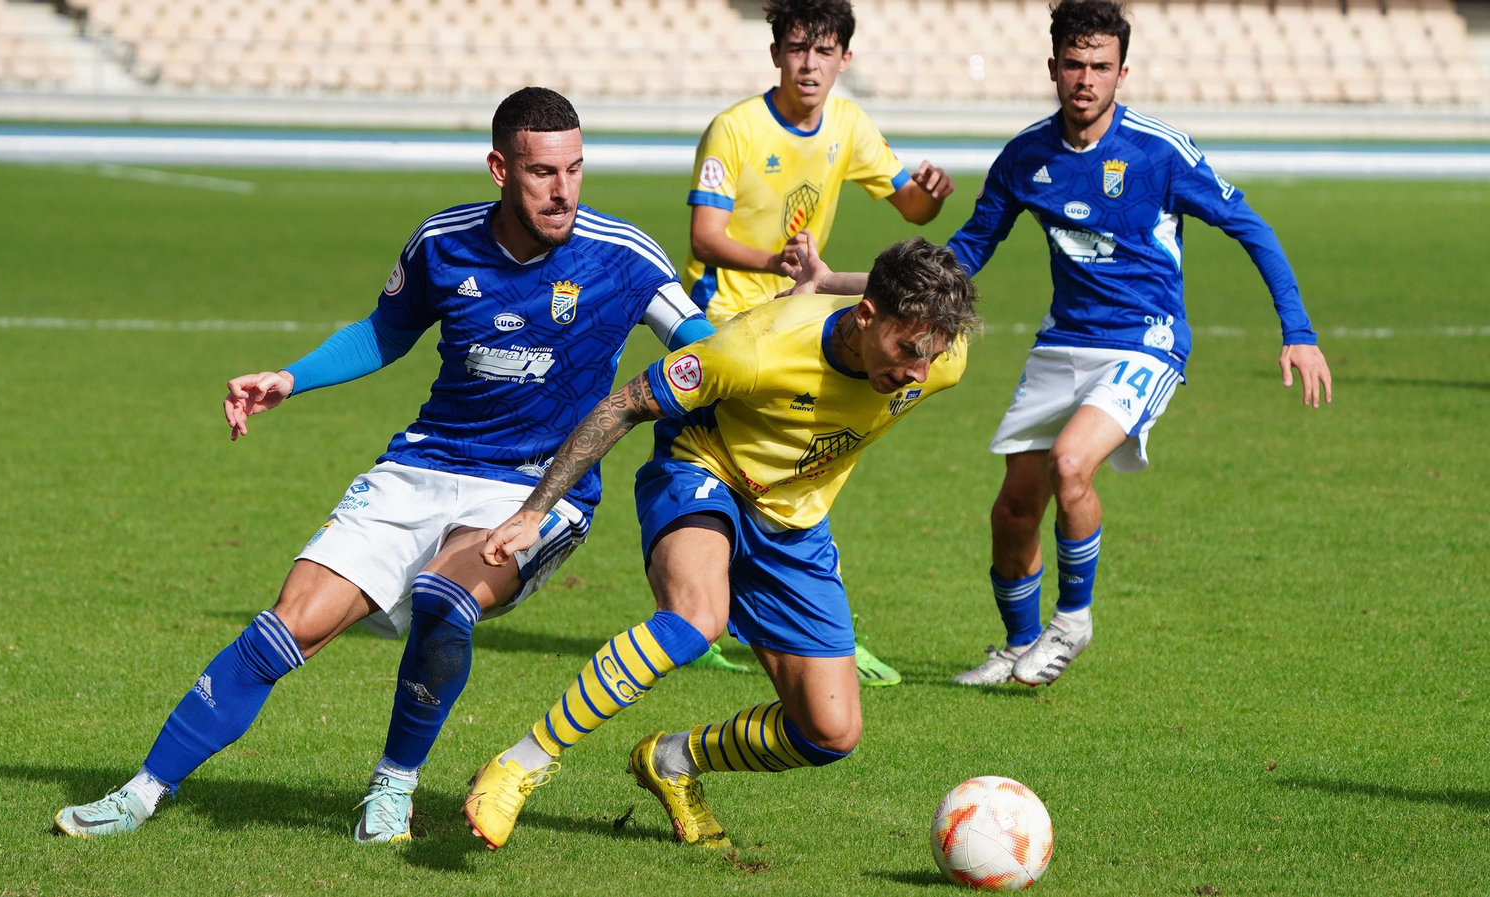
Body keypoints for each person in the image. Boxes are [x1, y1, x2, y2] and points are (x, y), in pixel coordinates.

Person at [52, 87, 715, 843]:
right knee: (287, 625)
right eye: (541, 172)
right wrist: (292, 378)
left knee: (442, 598)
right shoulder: (442, 243)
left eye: (574, 169)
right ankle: (139, 794)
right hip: (423, 465)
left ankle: (393, 786)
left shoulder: (624, 256)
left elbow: (708, 350)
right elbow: (384, 333)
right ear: (500, 168)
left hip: (534, 489)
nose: (563, 190)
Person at [794, 0, 1333, 688]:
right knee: (1014, 509)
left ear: (1122, 72)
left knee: (1072, 464)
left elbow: (1250, 226)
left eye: (1101, 67)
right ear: (1053, 67)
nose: (1086, 79)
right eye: (1075, 64)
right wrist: (832, 281)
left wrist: (1298, 332)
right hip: (1062, 342)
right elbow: (957, 261)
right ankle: (1019, 646)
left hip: (1146, 342)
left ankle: (1072, 621)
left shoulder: (1159, 152)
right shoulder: (1027, 157)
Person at [462, 237, 980, 850]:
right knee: (696, 618)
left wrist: (826, 277)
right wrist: (534, 512)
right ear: (867, 317)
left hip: (794, 518)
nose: (917, 373)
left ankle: (673, 760)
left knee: (829, 732)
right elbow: (623, 406)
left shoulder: (941, 354)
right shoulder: (755, 347)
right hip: (702, 470)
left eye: (931, 355)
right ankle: (520, 763)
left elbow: (902, 300)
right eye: (908, 351)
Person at [681, 0, 955, 686]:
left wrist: (932, 193)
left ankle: (811, 627)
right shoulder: (735, 128)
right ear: (776, 53)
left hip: (799, 314)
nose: (810, 64)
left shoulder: (850, 124)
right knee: (728, 470)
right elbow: (704, 237)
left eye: (824, 51)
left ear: (845, 59)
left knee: (810, 469)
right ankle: (702, 609)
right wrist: (776, 264)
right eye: (798, 48)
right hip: (723, 315)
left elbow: (913, 209)